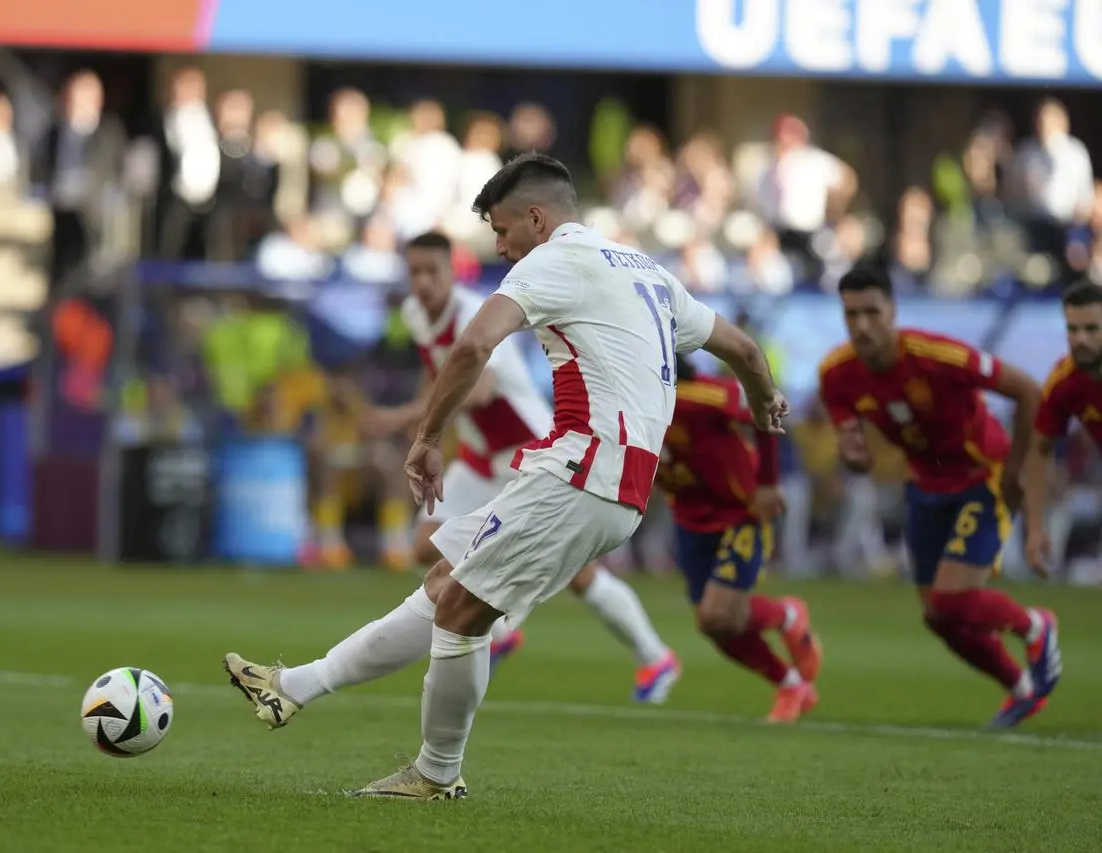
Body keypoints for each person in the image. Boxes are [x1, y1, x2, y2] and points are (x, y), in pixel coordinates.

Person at [224, 153, 788, 799]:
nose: (498, 245)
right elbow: (744, 350)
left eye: (501, 229)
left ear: (537, 218)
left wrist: (426, 436)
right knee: (444, 586)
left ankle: (436, 773)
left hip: (581, 469)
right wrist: (766, 400)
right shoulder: (649, 272)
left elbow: (473, 347)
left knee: (462, 612)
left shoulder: (553, 260)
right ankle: (291, 687)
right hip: (609, 478)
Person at [359, 229, 679, 702]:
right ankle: (502, 622)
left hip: (524, 450)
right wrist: (427, 426)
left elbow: (483, 389)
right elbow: (438, 376)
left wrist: (400, 418)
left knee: (577, 573)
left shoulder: (476, 313)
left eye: (433, 272)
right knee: (425, 546)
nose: (423, 283)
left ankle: (656, 658)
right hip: (478, 455)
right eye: (415, 273)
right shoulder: (414, 314)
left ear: (454, 272)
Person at [818, 265, 1060, 729]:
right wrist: (852, 454)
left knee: (951, 599)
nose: (862, 324)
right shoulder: (836, 374)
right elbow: (853, 447)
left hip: (981, 475)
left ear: (893, 311)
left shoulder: (938, 355)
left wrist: (1014, 473)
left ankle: (1035, 625)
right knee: (937, 616)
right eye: (852, 314)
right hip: (925, 487)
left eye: (872, 312)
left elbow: (1029, 392)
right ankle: (1021, 689)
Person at [659, 356, 822, 723]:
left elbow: (767, 408)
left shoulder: (705, 395)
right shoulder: (628, 400)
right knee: (712, 625)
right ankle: (791, 684)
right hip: (689, 520)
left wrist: (767, 483)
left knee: (717, 614)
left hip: (740, 513)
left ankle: (787, 614)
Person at [1024, 281, 1102, 578]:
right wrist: (1035, 527)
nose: (1080, 339)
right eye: (1072, 329)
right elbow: (1040, 451)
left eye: (1092, 329)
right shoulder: (1064, 383)